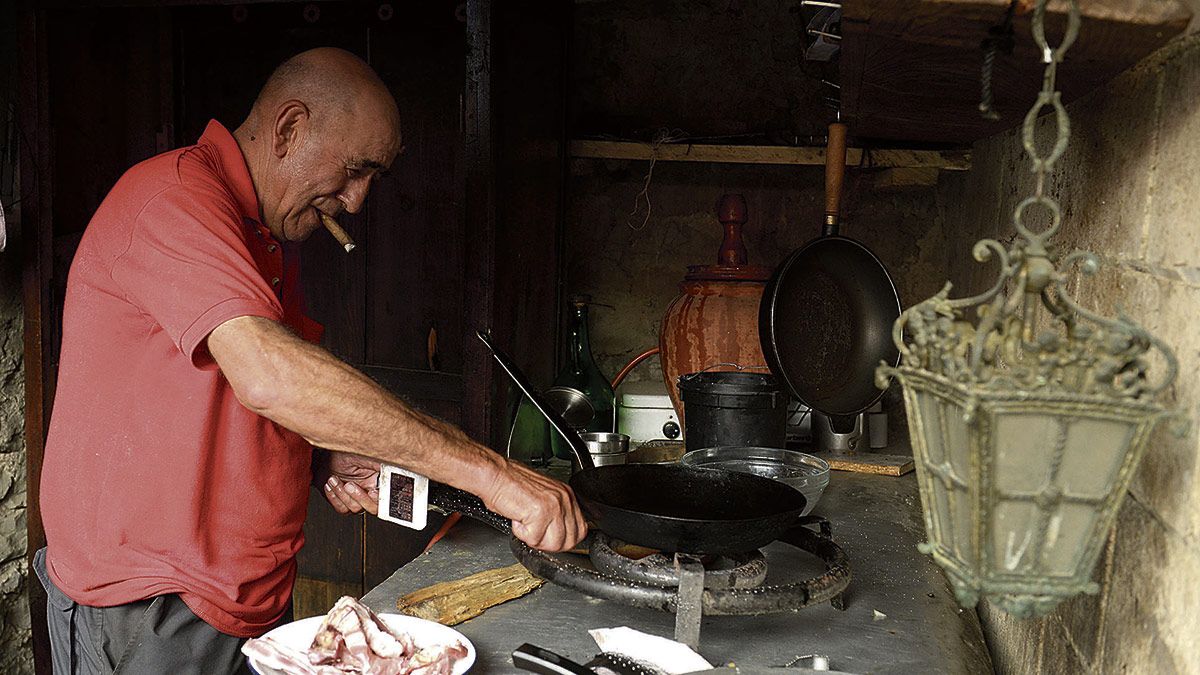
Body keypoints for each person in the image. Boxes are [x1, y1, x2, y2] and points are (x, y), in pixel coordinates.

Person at [34, 47, 586, 674]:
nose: (355, 201)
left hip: (239, 603)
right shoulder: (172, 198)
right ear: (290, 128)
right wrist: (493, 475)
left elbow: (230, 393)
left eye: (373, 179)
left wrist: (319, 454)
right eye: (354, 170)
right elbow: (271, 378)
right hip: (153, 608)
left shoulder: (263, 232)